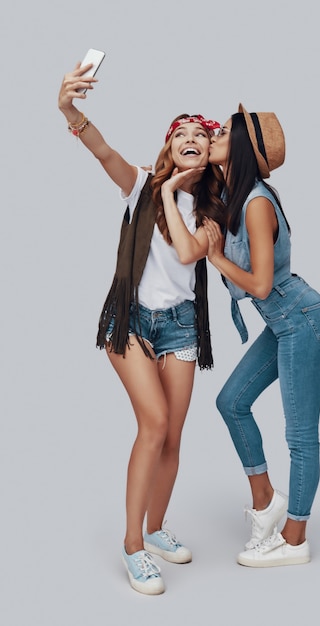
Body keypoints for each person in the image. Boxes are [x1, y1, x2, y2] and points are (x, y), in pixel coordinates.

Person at [58, 61, 224, 594]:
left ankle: (155, 529)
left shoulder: (211, 211)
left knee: (173, 437)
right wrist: (69, 109)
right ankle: (133, 546)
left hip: (180, 326)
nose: (193, 137)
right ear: (167, 146)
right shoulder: (140, 187)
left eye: (202, 134)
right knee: (152, 425)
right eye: (182, 134)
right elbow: (103, 151)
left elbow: (186, 252)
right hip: (130, 321)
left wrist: (182, 188)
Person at [203, 104, 320, 567]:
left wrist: (217, 256)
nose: (216, 130)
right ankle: (266, 502)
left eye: (225, 130)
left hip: (302, 319)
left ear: (241, 146)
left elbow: (258, 284)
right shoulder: (236, 194)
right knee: (231, 402)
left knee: (300, 436)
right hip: (284, 321)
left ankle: (295, 539)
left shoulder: (256, 203)